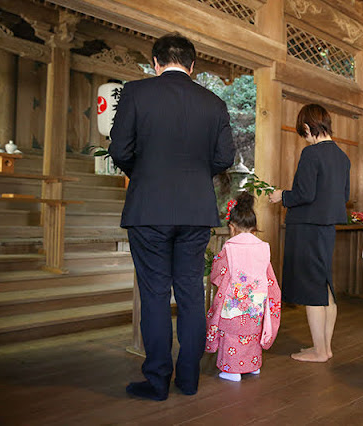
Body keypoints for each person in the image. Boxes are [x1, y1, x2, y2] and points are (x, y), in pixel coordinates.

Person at [109, 33, 235, 401]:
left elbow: (120, 149)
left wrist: (145, 171)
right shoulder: (213, 103)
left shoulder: (136, 93)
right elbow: (224, 158)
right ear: (193, 66)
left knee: (154, 295)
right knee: (192, 294)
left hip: (149, 207)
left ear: (155, 62)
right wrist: (196, 174)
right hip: (196, 210)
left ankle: (158, 380)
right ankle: (190, 379)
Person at [268, 104, 350, 363]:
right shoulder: (342, 157)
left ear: (307, 127)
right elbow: (344, 196)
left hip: (307, 227)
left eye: (303, 132)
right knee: (325, 285)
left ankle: (319, 350)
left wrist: (282, 196)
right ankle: (324, 347)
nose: (304, 138)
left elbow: (304, 194)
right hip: (326, 227)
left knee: (313, 288)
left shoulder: (311, 154)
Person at [205, 192, 281, 382]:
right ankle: (252, 366)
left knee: (231, 335)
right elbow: (269, 278)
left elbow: (218, 274)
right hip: (256, 304)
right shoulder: (263, 248)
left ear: (232, 227)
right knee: (252, 334)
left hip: (234, 304)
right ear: (254, 228)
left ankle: (232, 370)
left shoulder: (229, 249)